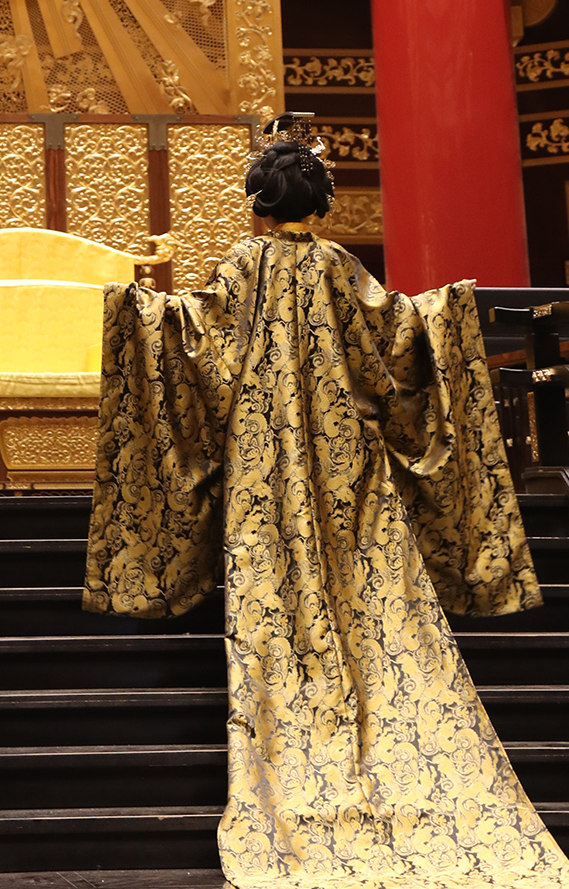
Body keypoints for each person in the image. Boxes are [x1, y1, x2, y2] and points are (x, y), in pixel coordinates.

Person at [83, 113, 569, 887]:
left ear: (257, 204)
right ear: (322, 203)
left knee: (276, 595)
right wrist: (450, 307)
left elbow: (200, 343)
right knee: (368, 589)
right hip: (348, 465)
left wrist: (138, 312)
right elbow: (396, 338)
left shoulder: (244, 264)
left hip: (263, 466)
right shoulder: (343, 267)